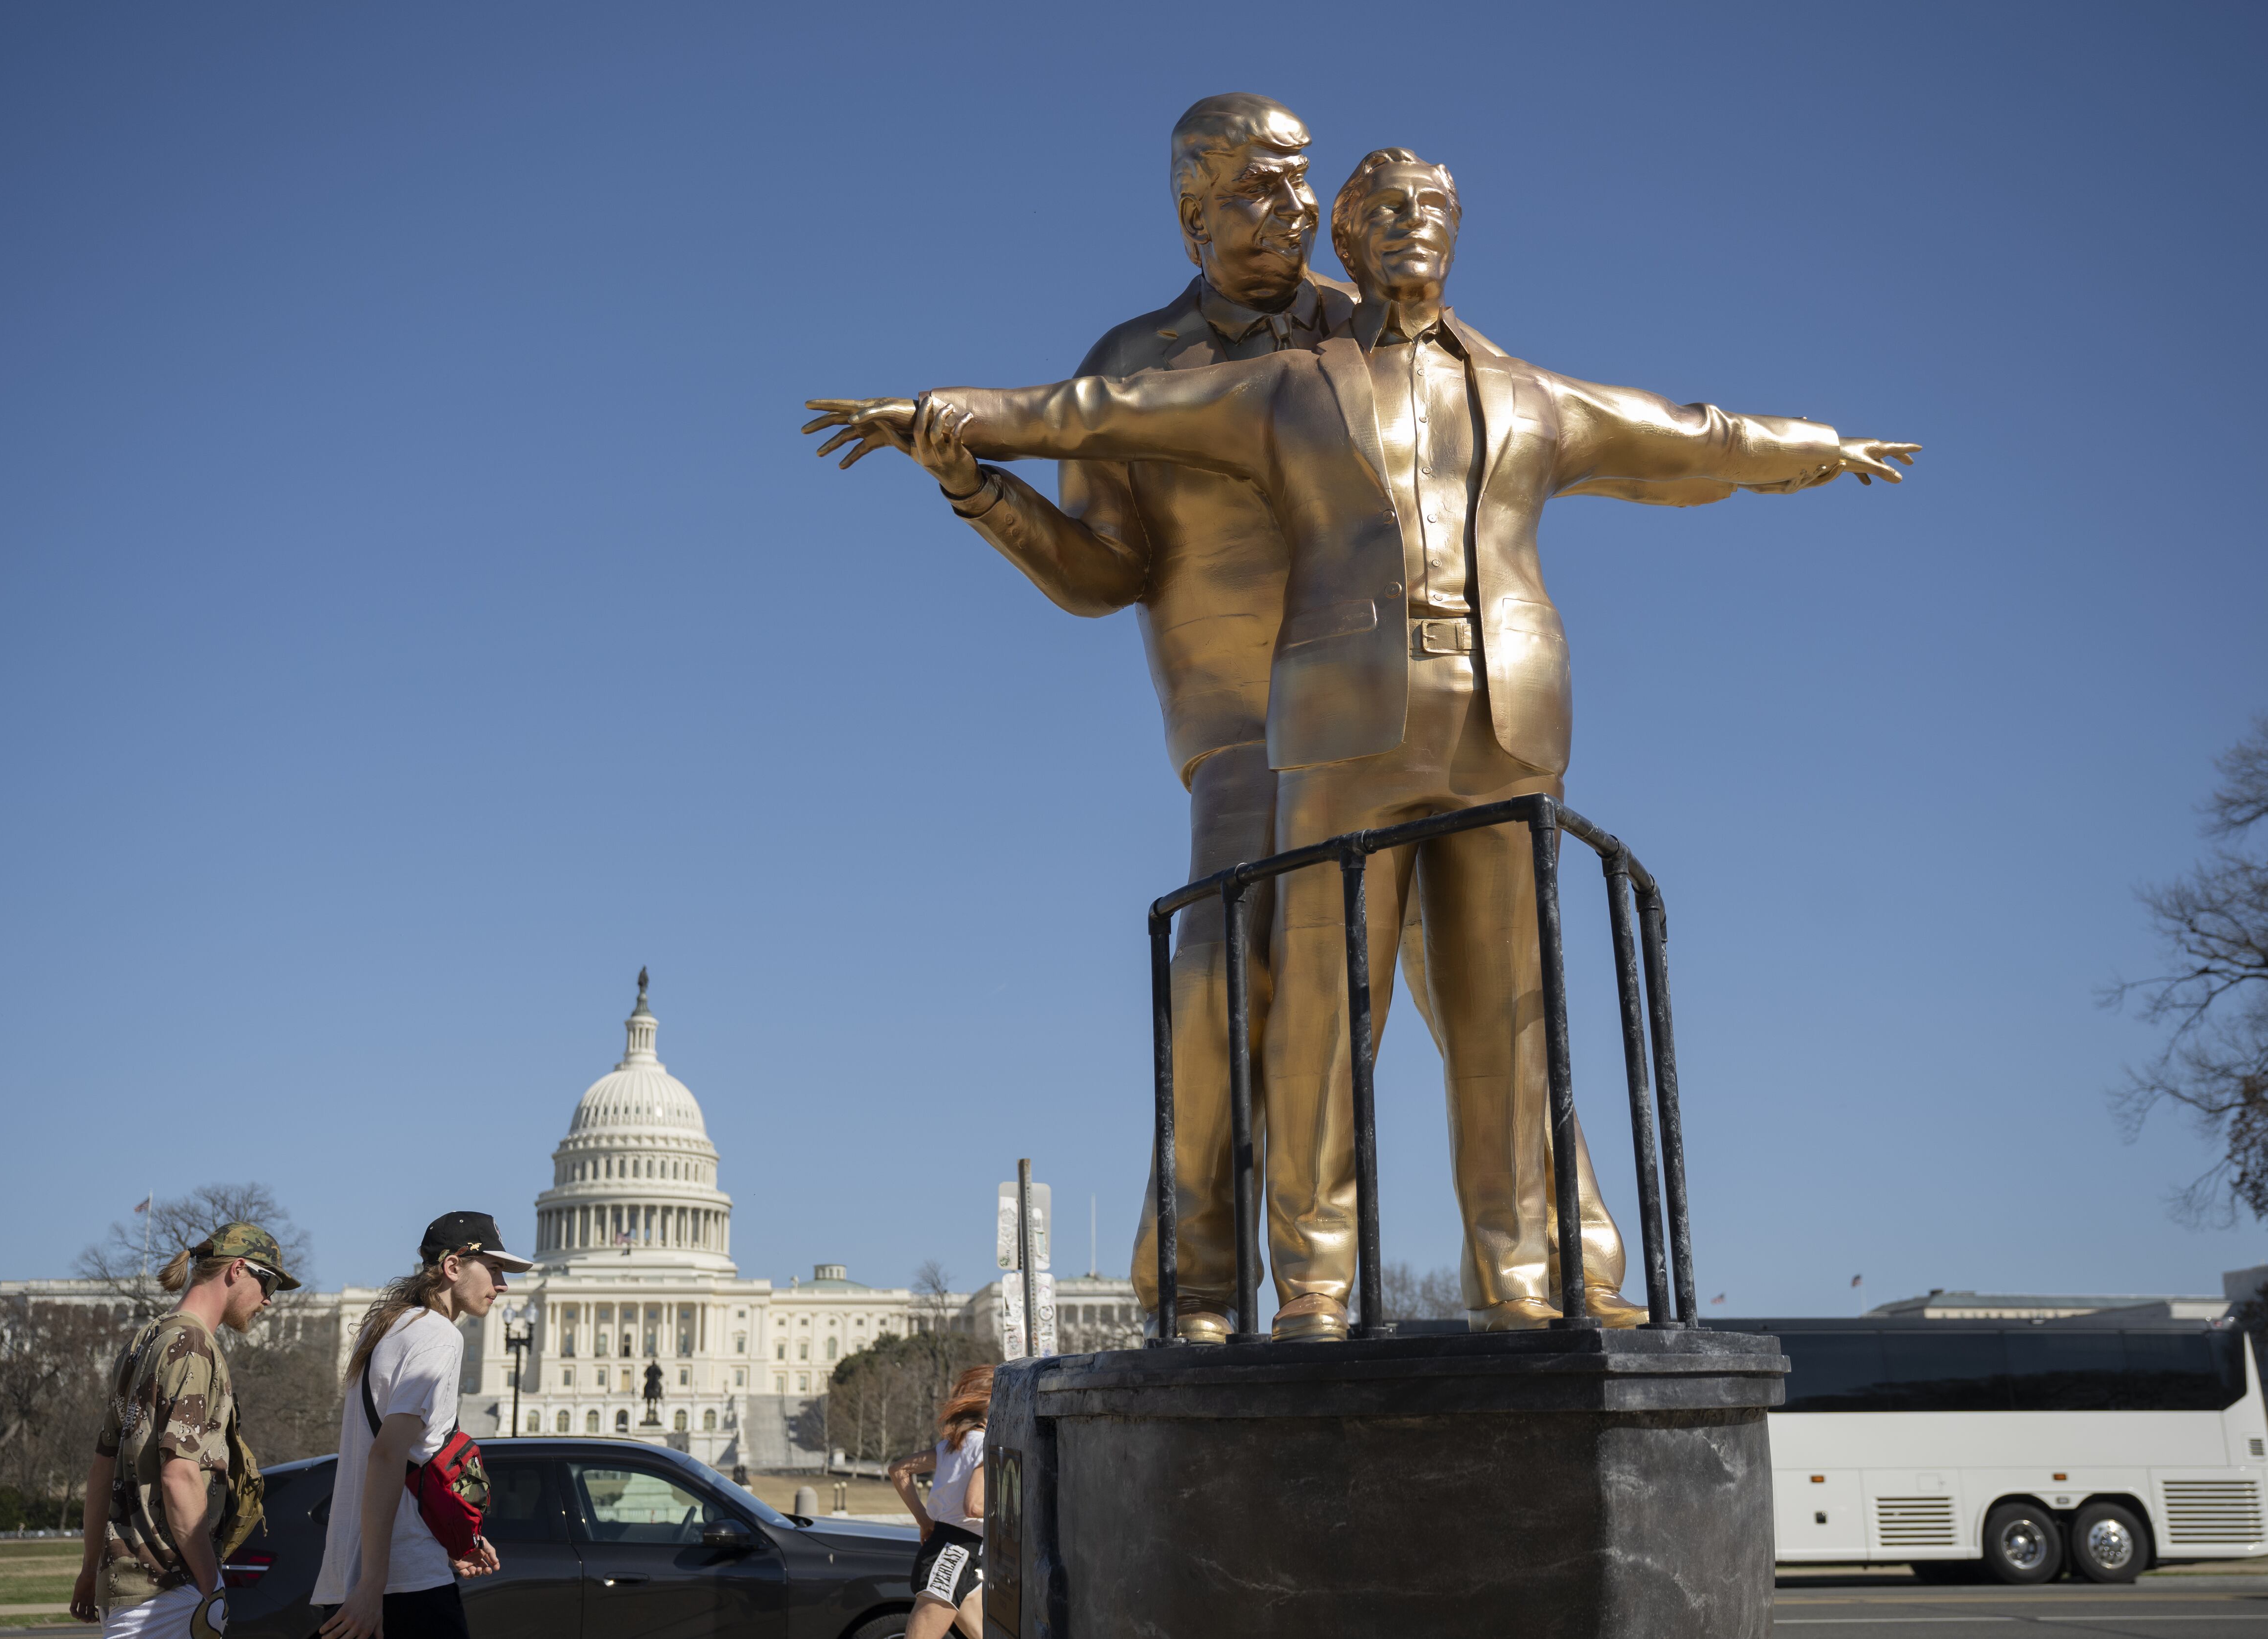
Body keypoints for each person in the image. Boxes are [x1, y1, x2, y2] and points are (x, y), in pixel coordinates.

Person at [810, 148, 1916, 1337]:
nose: (1404, 229)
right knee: (1314, 1019)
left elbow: (1680, 436)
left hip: (1506, 721)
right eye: (1378, 211)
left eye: (1429, 210)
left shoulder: (1520, 388)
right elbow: (1097, 418)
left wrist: (1811, 445)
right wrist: (952, 424)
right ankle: (1305, 1289)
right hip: (1325, 726)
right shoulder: (1289, 384)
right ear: (1333, 240)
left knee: (1511, 1012)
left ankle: (1535, 1278)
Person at [67, 1222, 297, 1639]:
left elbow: (102, 1469)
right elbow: (180, 1475)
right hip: (168, 1590)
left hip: (126, 1586)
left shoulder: (144, 1340)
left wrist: (90, 1570)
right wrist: (212, 1586)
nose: (268, 1300)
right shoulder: (193, 1346)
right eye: (269, 1283)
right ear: (238, 1269)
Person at [313, 1212, 531, 1639]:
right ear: (453, 1267)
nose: (502, 1285)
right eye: (494, 1269)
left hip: (349, 1570)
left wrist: (455, 1537)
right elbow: (388, 1453)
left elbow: (410, 1454)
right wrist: (374, 1584)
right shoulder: (439, 1336)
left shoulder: (385, 1328)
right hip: (401, 1582)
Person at [885, 1367, 991, 1639]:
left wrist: (925, 1522)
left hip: (954, 1549)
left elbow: (899, 1470)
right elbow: (975, 1507)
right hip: (956, 1554)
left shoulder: (951, 1445)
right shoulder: (984, 1445)